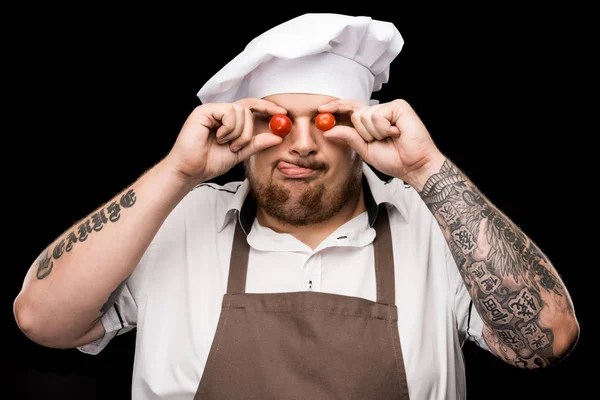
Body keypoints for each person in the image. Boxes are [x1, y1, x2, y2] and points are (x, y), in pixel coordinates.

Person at [13, 13, 579, 400]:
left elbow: (548, 340)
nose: (303, 144)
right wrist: (177, 172)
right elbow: (41, 320)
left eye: (328, 122)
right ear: (246, 127)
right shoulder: (176, 222)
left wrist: (425, 170)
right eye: (278, 121)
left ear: (363, 130)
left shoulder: (433, 230)